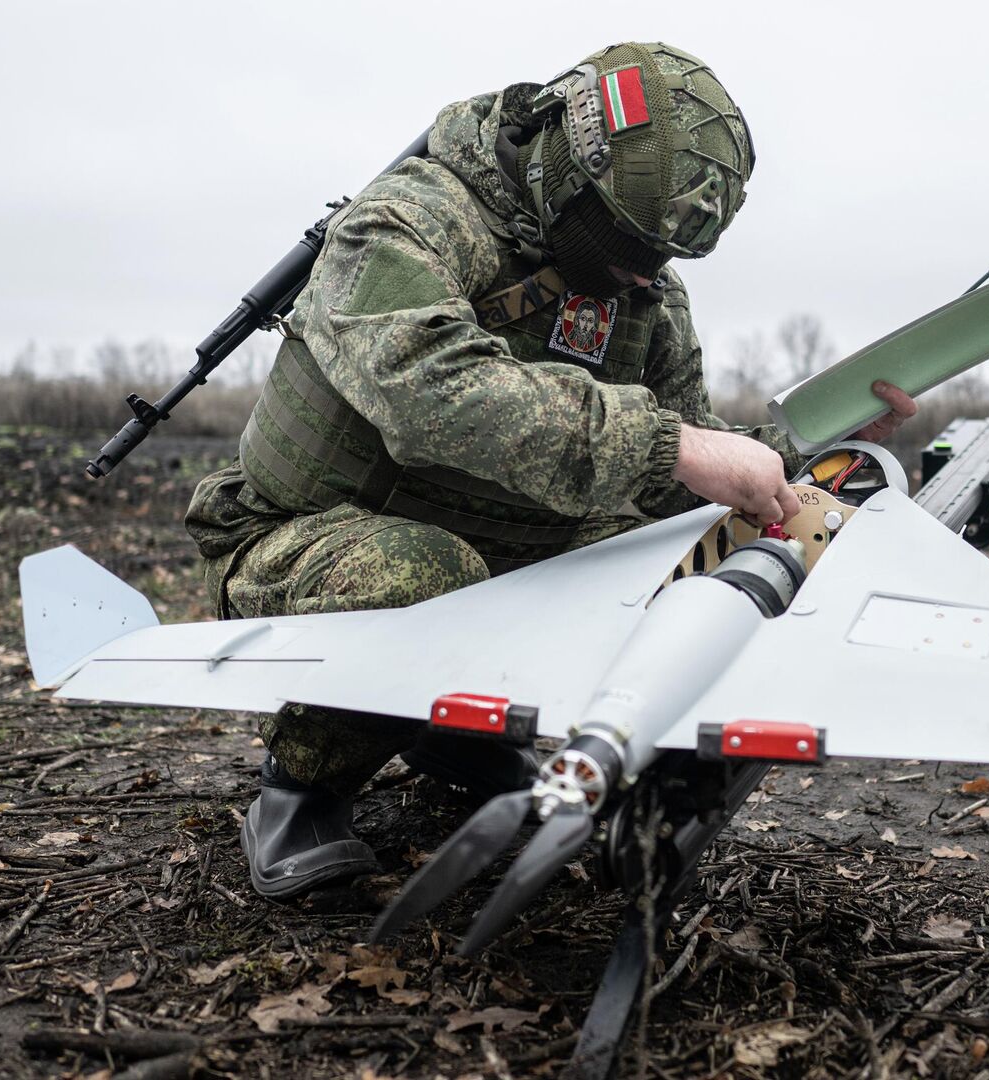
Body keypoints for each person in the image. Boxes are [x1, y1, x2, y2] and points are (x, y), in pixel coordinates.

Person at [182, 41, 916, 899]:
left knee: (685, 545)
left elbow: (687, 452)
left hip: (499, 553)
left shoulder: (643, 290)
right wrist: (672, 446)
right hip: (302, 541)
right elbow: (432, 395)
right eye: (626, 240)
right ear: (566, 165)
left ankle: (459, 728)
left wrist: (793, 451)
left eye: (663, 253)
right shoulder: (406, 221)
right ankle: (303, 787)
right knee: (421, 573)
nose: (644, 270)